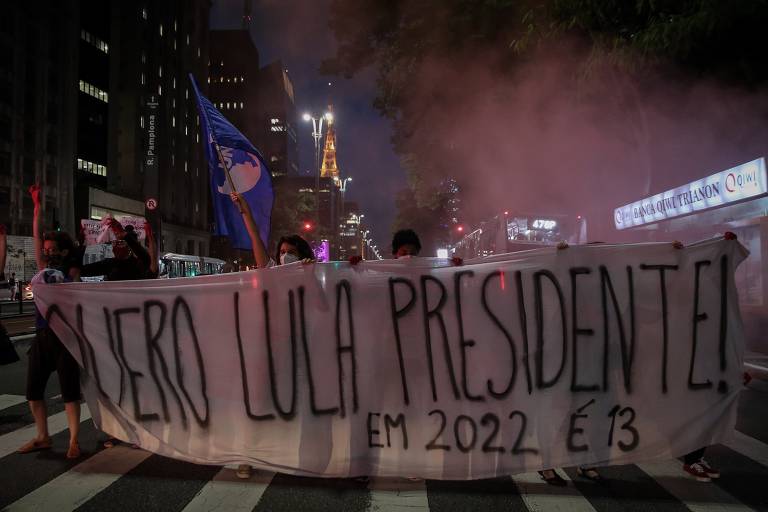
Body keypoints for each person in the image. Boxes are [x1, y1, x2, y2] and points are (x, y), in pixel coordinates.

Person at [229, 192, 315, 479]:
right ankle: (248, 455)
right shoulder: (271, 273)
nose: (284, 254)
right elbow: (256, 241)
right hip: (266, 349)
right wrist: (246, 212)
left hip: (297, 350)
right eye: (282, 250)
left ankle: (294, 452)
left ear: (303, 256)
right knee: (257, 401)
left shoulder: (313, 277)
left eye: (291, 251)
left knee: (298, 402)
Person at [18, 184, 83, 459]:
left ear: (63, 252)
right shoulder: (42, 270)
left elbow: (78, 296)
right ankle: (42, 436)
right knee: (33, 391)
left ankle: (74, 441)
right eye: (45, 249)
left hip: (64, 338)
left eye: (52, 249)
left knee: (70, 392)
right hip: (43, 337)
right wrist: (36, 207)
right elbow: (35, 236)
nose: (46, 252)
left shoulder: (71, 273)